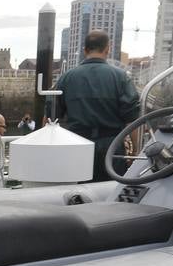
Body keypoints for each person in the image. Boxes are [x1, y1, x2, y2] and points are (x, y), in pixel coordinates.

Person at [53, 30, 141, 179]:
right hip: (112, 147)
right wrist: (134, 152)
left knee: (77, 193)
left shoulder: (66, 78)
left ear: (85, 50)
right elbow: (133, 120)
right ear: (107, 49)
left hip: (77, 145)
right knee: (110, 192)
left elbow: (51, 118)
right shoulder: (120, 78)